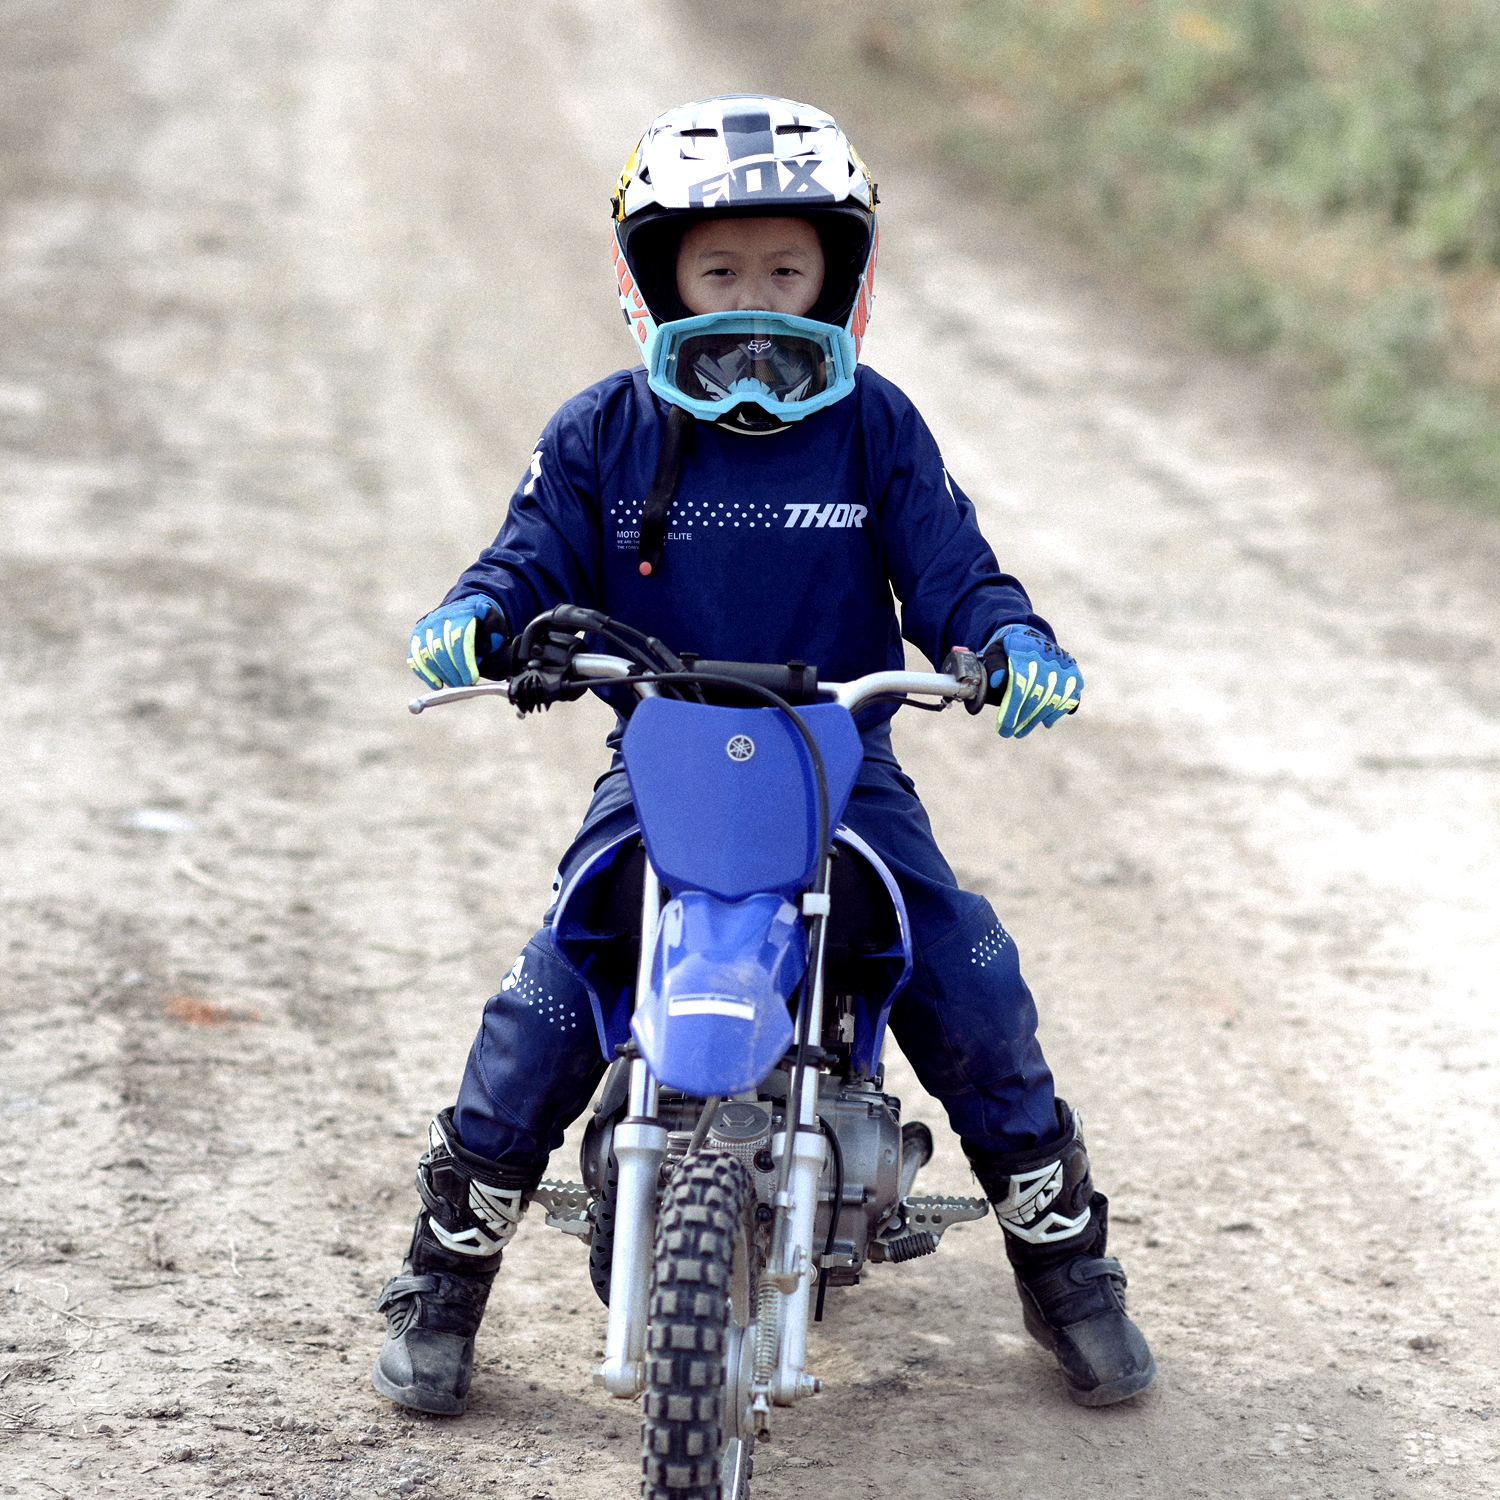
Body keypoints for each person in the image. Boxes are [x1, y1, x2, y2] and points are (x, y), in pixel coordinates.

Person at [372, 95, 1156, 1418]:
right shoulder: (600, 433)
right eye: (719, 271)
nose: (755, 303)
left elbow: (957, 572)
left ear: (839, 279)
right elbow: (523, 559)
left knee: (966, 972)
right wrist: (480, 618)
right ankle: (445, 1269)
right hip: (666, 765)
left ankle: (1061, 1252)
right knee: (556, 986)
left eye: (787, 271)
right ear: (656, 278)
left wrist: (1009, 637)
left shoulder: (877, 428)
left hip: (843, 761)